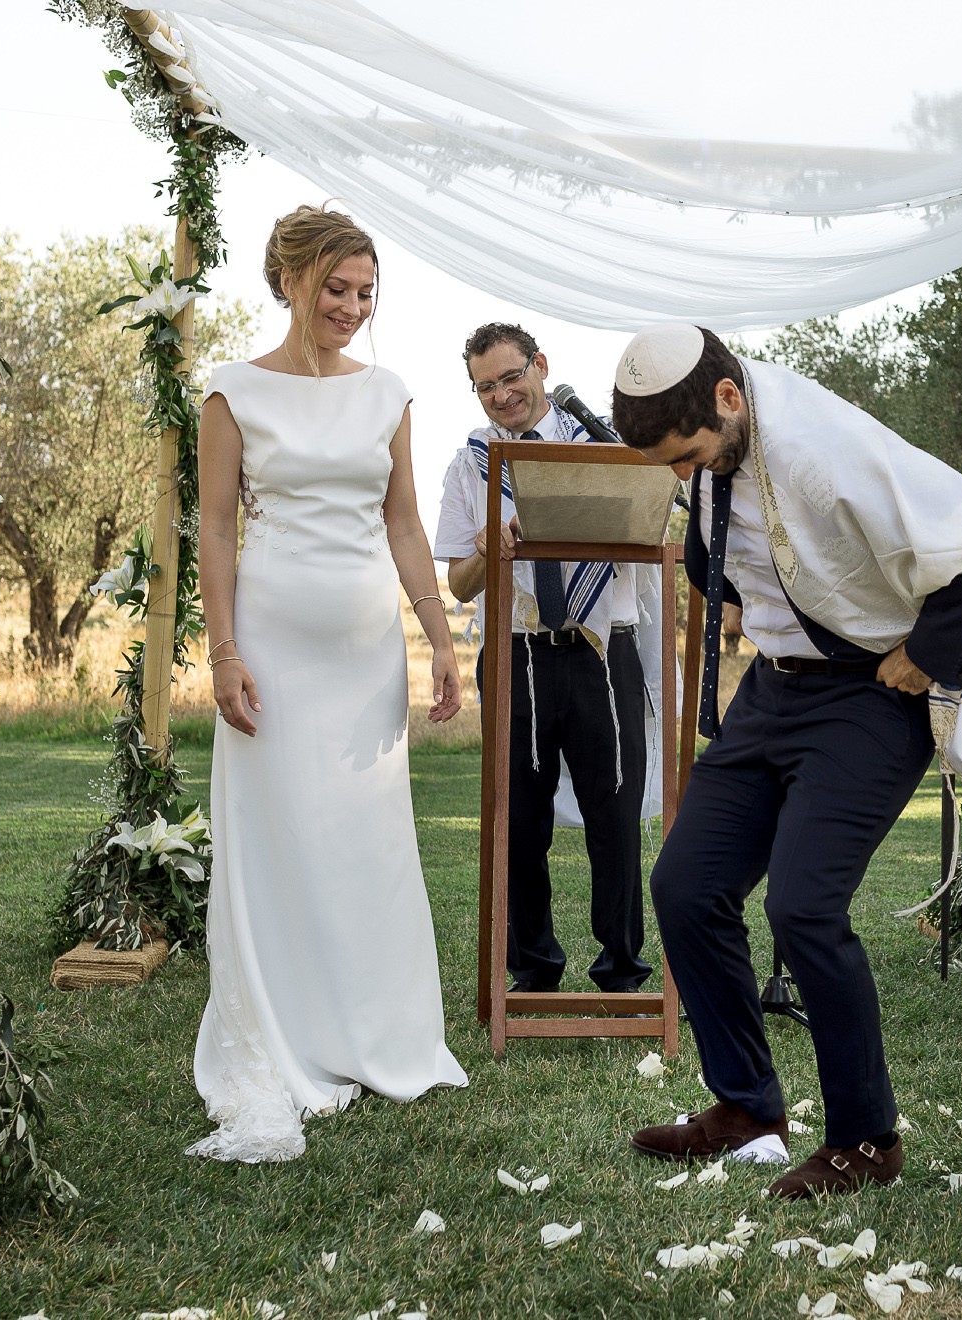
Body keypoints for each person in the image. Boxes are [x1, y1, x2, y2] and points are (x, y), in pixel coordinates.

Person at [611, 325, 962, 1198]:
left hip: (867, 696)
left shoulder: (824, 445)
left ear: (728, 399)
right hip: (773, 693)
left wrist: (927, 652)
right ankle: (746, 1108)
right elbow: (724, 555)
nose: (685, 475)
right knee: (686, 886)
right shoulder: (716, 450)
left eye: (688, 454)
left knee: (806, 908)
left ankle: (866, 1141)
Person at [189, 205, 468, 1162]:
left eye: (364, 292)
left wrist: (439, 636)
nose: (352, 307)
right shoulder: (232, 394)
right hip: (269, 643)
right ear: (290, 282)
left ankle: (376, 1032)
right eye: (335, 290)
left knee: (363, 839)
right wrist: (223, 652)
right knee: (280, 837)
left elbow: (403, 527)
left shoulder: (388, 394)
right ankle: (282, 1034)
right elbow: (216, 530)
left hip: (363, 655)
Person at [433, 323, 657, 995]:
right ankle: (533, 967)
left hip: (600, 651)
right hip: (517, 653)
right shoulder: (471, 463)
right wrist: (489, 549)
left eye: (511, 377)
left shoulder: (607, 447)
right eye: (485, 386)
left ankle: (621, 970)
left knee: (613, 819)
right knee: (519, 823)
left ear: (541, 367)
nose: (501, 396)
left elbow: (650, 535)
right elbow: (461, 584)